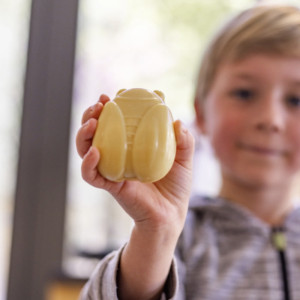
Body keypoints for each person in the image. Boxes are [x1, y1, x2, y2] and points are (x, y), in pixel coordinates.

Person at [76, 3, 300, 300]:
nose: (270, 119)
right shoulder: (176, 238)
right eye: (244, 94)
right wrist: (158, 229)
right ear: (201, 113)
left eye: (296, 100)